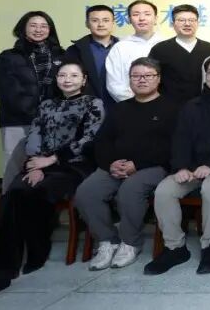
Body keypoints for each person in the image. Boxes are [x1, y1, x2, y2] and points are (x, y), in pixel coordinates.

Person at [0, 61, 104, 293]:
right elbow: (34, 134)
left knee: (38, 193)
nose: (67, 79)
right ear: (56, 79)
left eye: (74, 75)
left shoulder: (93, 103)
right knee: (13, 195)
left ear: (83, 80)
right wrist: (35, 164)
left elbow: (89, 139)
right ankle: (5, 269)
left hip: (73, 166)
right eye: (62, 75)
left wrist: (51, 160)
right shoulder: (46, 104)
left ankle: (37, 251)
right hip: (40, 163)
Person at [145, 56, 210, 276]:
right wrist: (181, 167)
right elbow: (180, 140)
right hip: (192, 168)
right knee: (164, 190)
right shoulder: (192, 106)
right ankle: (175, 248)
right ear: (205, 75)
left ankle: (209, 247)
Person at [76, 57, 178, 271]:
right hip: (116, 166)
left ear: (158, 79)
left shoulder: (172, 108)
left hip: (153, 166)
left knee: (130, 191)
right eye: (136, 76)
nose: (142, 80)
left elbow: (172, 147)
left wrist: (137, 164)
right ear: (130, 80)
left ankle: (130, 243)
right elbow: (102, 142)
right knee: (87, 192)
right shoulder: (119, 109)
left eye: (148, 75)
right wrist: (110, 164)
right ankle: (107, 241)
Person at [0, 11, 65, 192]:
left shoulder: (61, 55)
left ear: (50, 30)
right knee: (14, 166)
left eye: (44, 26)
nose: (38, 30)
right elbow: (6, 90)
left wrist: (51, 115)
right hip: (17, 120)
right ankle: (9, 206)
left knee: (48, 169)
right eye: (33, 25)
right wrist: (34, 114)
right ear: (23, 29)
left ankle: (41, 209)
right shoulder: (9, 56)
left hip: (52, 121)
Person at [148, 4, 210, 105]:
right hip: (168, 107)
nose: (187, 24)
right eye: (181, 20)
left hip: (205, 106)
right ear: (173, 23)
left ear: (198, 23)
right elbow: (151, 78)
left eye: (192, 20)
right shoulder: (159, 49)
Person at [106, 0, 163, 102]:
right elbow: (114, 84)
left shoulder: (166, 45)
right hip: (130, 105)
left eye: (147, 14)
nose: (142, 18)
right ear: (129, 19)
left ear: (155, 18)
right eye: (136, 14)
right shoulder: (120, 47)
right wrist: (137, 102)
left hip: (164, 105)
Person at [65, 5, 119, 106]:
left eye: (106, 20)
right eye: (95, 20)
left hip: (120, 105)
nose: (101, 24)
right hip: (85, 107)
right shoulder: (75, 50)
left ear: (113, 23)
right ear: (87, 24)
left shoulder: (125, 48)